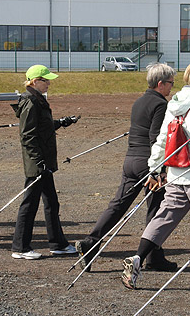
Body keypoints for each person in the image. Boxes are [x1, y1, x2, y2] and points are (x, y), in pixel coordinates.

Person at [121, 58, 190, 292]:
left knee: (164, 218)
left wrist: (155, 167)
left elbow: (163, 138)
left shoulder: (175, 101)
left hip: (176, 172)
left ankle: (138, 258)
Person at [74, 63, 178, 272]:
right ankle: (153, 257)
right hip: (147, 163)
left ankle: (90, 242)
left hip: (131, 160)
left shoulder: (139, 102)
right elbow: (155, 138)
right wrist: (158, 170)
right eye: (170, 83)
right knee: (156, 209)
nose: (172, 88)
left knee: (118, 205)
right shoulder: (160, 104)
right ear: (160, 84)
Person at [10, 65, 79, 260]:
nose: (48, 83)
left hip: (43, 161)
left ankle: (58, 244)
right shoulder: (30, 101)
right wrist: (38, 161)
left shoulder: (37, 99)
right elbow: (27, 136)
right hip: (37, 163)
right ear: (33, 81)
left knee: (51, 202)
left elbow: (43, 127)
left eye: (48, 80)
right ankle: (20, 247)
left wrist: (61, 122)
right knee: (29, 204)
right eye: (44, 80)